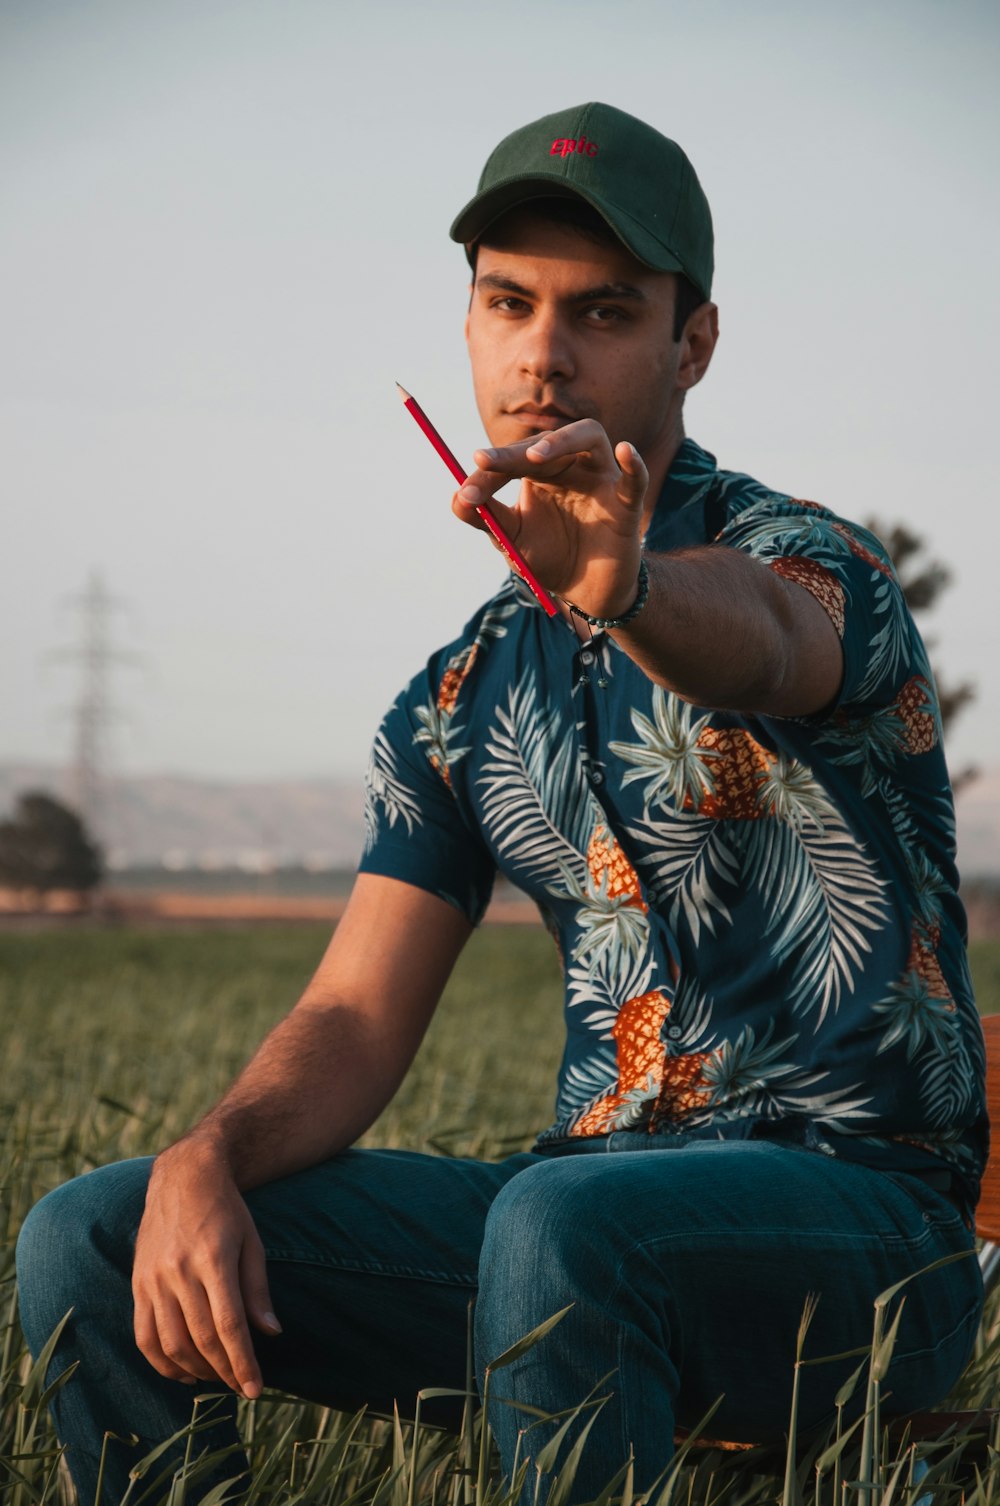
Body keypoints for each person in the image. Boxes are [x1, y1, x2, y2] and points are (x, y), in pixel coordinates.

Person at [16, 101, 987, 1505]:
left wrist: (632, 586)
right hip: (584, 1227)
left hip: (866, 1238)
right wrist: (207, 1155)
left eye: (602, 311)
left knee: (561, 1222)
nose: (543, 351)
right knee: (88, 1236)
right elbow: (353, 1015)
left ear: (690, 343)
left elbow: (772, 640)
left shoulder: (807, 562)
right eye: (507, 302)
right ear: (468, 327)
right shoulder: (457, 700)